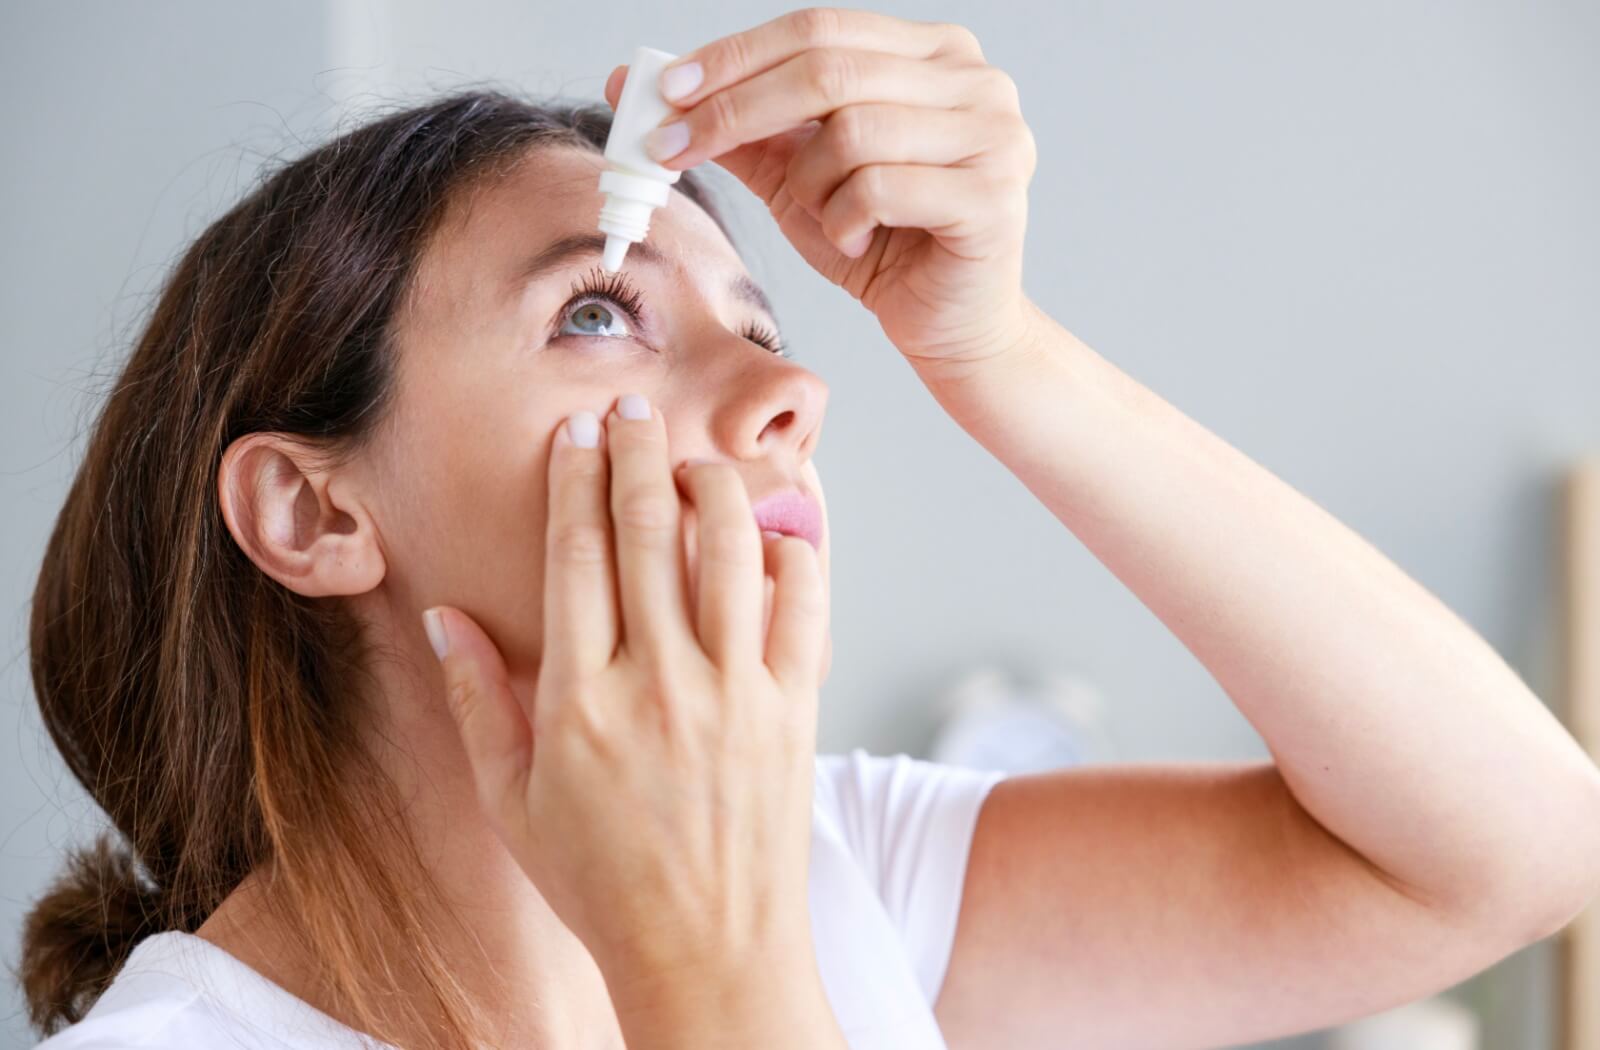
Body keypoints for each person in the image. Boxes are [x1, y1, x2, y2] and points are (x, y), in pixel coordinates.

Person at [20, 8, 1600, 1050]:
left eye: (765, 321)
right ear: (311, 508)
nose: (791, 391)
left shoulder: (838, 871)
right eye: (595, 309)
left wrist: (1000, 356)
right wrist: (707, 975)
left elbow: (1506, 854)